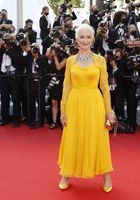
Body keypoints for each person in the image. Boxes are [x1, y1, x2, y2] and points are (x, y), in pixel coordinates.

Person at [58, 24, 116, 193]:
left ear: (93, 39)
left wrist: (109, 110)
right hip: (74, 103)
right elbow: (66, 87)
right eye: (81, 37)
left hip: (94, 103)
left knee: (98, 138)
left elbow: (105, 88)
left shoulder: (100, 60)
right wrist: (63, 110)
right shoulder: (70, 61)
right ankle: (66, 173)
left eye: (88, 37)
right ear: (76, 40)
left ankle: (106, 175)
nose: (85, 40)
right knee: (72, 137)